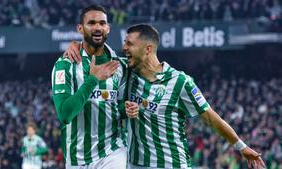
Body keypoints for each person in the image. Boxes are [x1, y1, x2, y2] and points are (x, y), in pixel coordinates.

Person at [64, 24, 266, 168]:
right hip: (136, 164)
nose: (124, 48)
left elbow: (210, 118)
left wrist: (241, 147)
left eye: (129, 44)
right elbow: (96, 52)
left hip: (172, 164)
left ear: (148, 49)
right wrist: (77, 44)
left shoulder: (179, 82)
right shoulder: (125, 71)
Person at [51, 5, 128, 169]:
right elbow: (65, 114)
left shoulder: (120, 66)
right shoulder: (65, 65)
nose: (98, 27)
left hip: (113, 152)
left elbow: (118, 107)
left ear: (108, 28)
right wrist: (93, 79)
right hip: (77, 158)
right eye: (91, 23)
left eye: (102, 23)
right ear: (80, 28)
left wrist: (127, 109)